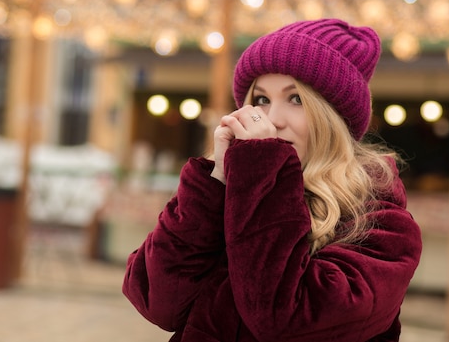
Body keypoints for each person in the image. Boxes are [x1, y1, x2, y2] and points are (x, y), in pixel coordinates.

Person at [122, 18, 423, 341]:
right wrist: (216, 180)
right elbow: (157, 302)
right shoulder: (233, 195)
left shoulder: (383, 226)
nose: (273, 119)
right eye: (262, 100)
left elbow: (283, 320)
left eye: (296, 99)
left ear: (332, 117)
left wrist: (262, 175)